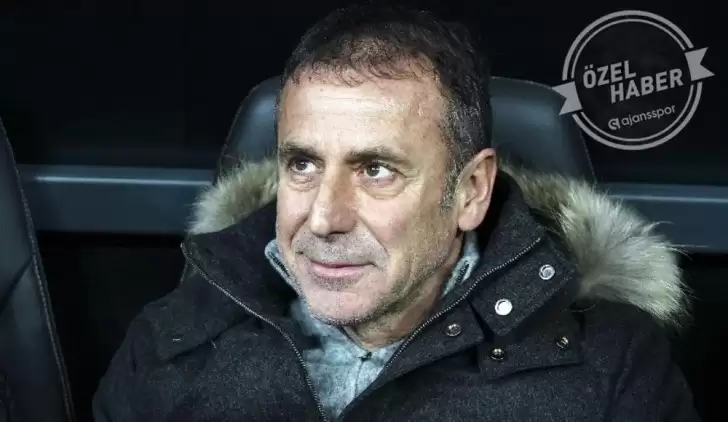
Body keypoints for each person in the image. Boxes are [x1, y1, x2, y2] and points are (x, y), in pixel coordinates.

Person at [93, 4, 700, 421]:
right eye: (302, 164)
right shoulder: (169, 340)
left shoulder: (613, 369)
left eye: (376, 170)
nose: (324, 218)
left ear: (471, 191)